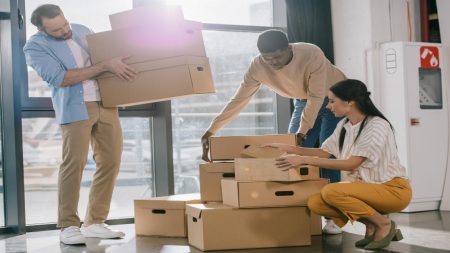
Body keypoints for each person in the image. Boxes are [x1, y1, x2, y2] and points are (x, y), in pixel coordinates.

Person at [200, 29, 346, 233]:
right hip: (303, 100)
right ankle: (296, 207)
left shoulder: (311, 53)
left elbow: (316, 97)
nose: (273, 63)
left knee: (327, 153)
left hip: (334, 99)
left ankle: (334, 216)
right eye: (268, 59)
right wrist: (211, 130)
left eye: (277, 56)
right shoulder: (257, 66)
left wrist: (302, 131)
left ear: (289, 48)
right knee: (290, 153)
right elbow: (239, 100)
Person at [23, 4, 137, 245]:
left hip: (106, 102)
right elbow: (61, 78)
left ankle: (95, 221)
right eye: (56, 30)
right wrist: (105, 66)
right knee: (73, 165)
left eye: (65, 24)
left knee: (111, 161)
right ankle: (68, 225)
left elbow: (104, 57)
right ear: (42, 29)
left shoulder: (82, 29)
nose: (65, 31)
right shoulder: (35, 46)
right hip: (75, 107)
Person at [267, 79, 412, 250]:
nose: (328, 106)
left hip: (393, 190)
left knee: (331, 191)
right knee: (315, 202)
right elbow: (323, 152)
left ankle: (383, 224)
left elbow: (352, 164)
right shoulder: (344, 125)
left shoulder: (377, 125)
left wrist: (304, 160)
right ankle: (372, 224)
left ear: (349, 102)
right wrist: (289, 148)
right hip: (367, 188)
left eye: (332, 101)